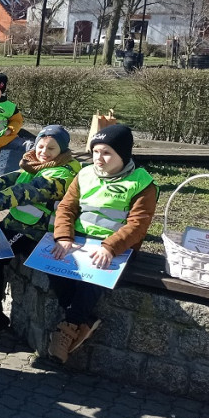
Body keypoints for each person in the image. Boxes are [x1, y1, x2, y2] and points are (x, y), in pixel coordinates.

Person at [47, 124, 157, 363]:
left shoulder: (142, 182)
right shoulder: (84, 174)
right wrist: (64, 237)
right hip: (78, 240)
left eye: (107, 153)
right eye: (95, 152)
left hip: (115, 247)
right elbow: (66, 208)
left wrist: (109, 247)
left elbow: (137, 225)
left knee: (91, 277)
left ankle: (69, 327)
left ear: (123, 155)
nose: (99, 158)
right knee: (55, 267)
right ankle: (81, 320)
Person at [0, 125, 81, 341]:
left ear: (63, 150)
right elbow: (10, 180)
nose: (43, 152)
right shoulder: (35, 165)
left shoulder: (61, 173)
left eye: (51, 148)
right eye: (41, 146)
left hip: (35, 231)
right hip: (17, 224)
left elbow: (23, 192)